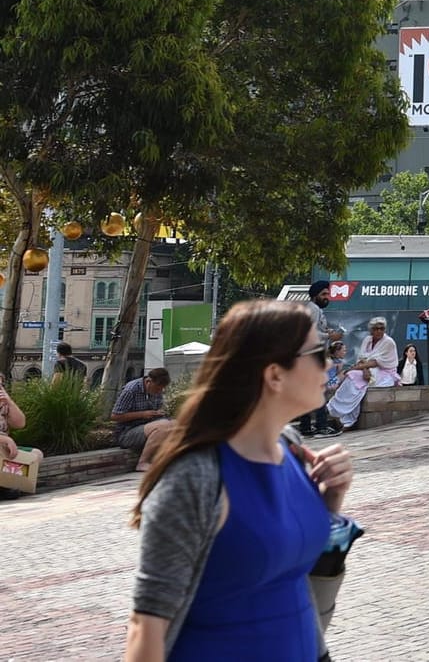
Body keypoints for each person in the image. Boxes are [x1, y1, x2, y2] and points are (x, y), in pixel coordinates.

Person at [123, 299, 355, 661]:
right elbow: (146, 627)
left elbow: (291, 575)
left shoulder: (291, 449)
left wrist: (327, 502)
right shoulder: (195, 477)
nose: (329, 363)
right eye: (319, 352)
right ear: (274, 374)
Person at [326, 318, 400, 430]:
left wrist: (361, 368)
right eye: (376, 328)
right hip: (366, 370)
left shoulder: (389, 342)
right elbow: (361, 358)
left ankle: (348, 420)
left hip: (384, 372)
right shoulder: (367, 340)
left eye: (382, 328)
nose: (379, 331)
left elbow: (378, 362)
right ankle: (337, 410)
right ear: (371, 330)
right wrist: (364, 369)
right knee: (351, 376)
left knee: (354, 375)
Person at [295, 280, 343, 436]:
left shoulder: (312, 309)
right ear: (315, 296)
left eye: (327, 294)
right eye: (323, 294)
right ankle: (321, 427)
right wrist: (330, 335)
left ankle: (306, 427)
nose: (327, 297)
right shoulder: (314, 309)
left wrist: (326, 332)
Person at [112, 369, 175, 472]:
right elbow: (115, 416)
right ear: (148, 381)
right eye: (157, 389)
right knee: (162, 427)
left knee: (176, 424)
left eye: (161, 389)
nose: (159, 392)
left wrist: (157, 413)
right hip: (127, 431)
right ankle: (143, 463)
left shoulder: (157, 391)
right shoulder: (131, 390)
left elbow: (156, 410)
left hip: (147, 426)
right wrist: (143, 414)